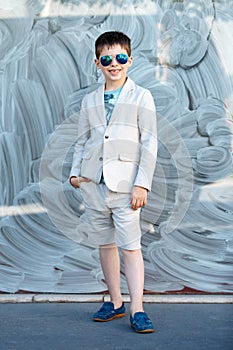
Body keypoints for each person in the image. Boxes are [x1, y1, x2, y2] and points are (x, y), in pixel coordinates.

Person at [70, 31, 157, 333]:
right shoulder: (90, 99)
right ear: (97, 63)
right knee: (105, 245)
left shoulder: (141, 96)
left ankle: (138, 308)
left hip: (126, 188)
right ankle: (116, 302)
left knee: (131, 247)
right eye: (107, 59)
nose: (114, 64)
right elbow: (83, 140)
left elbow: (149, 143)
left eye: (120, 58)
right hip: (94, 185)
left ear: (129, 60)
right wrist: (75, 172)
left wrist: (142, 184)